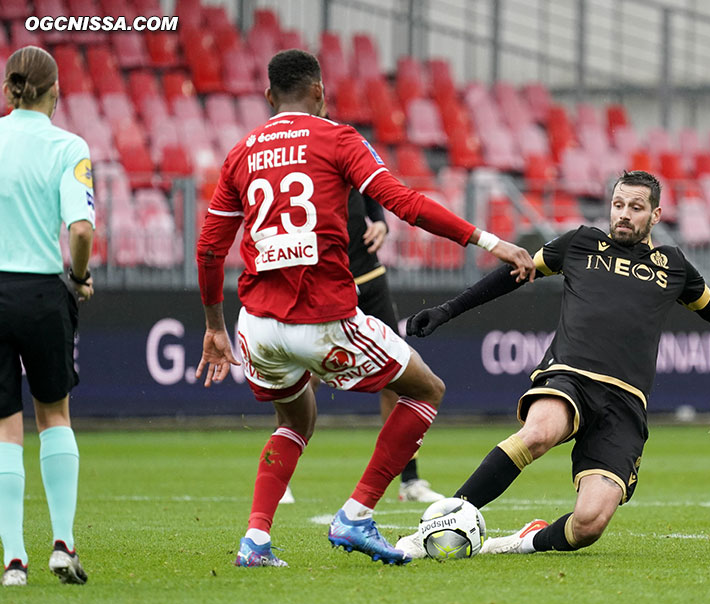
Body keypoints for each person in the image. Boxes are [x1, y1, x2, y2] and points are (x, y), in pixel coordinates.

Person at [195, 49, 534, 567]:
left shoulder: (241, 153)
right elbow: (405, 203)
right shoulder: (337, 137)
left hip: (257, 325)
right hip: (323, 319)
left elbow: (209, 249)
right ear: (320, 93)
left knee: (295, 421)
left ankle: (256, 541)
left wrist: (214, 326)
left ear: (268, 97)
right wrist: (489, 241)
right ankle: (356, 514)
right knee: (425, 390)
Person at [397, 170, 710, 557]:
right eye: (618, 204)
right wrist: (448, 310)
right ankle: (433, 529)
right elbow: (514, 273)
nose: (624, 214)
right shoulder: (580, 243)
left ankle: (521, 542)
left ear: (655, 215)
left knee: (589, 523)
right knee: (539, 432)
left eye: (636, 207)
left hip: (625, 403)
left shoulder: (674, 267)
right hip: (570, 376)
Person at [0, 46, 95, 586]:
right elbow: (80, 229)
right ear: (55, 91)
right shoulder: (68, 146)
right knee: (53, 415)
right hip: (41, 290)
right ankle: (62, 543)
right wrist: (79, 278)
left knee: (3, 426)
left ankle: (14, 559)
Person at [305, 189, 443, 504]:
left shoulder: (349, 145)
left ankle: (409, 480)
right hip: (326, 279)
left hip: (369, 273)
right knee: (307, 376)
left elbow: (368, 184)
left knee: (399, 376)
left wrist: (379, 220)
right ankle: (283, 471)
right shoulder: (306, 152)